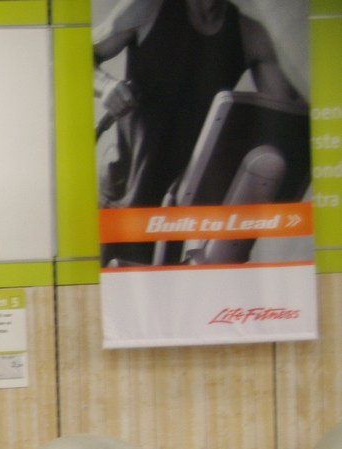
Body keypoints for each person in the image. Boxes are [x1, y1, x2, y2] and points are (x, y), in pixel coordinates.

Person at [94, 0, 302, 264]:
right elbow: (79, 54)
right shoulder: (146, 7)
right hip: (126, 193)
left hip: (181, 206)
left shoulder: (250, 34)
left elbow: (289, 116)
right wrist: (106, 85)